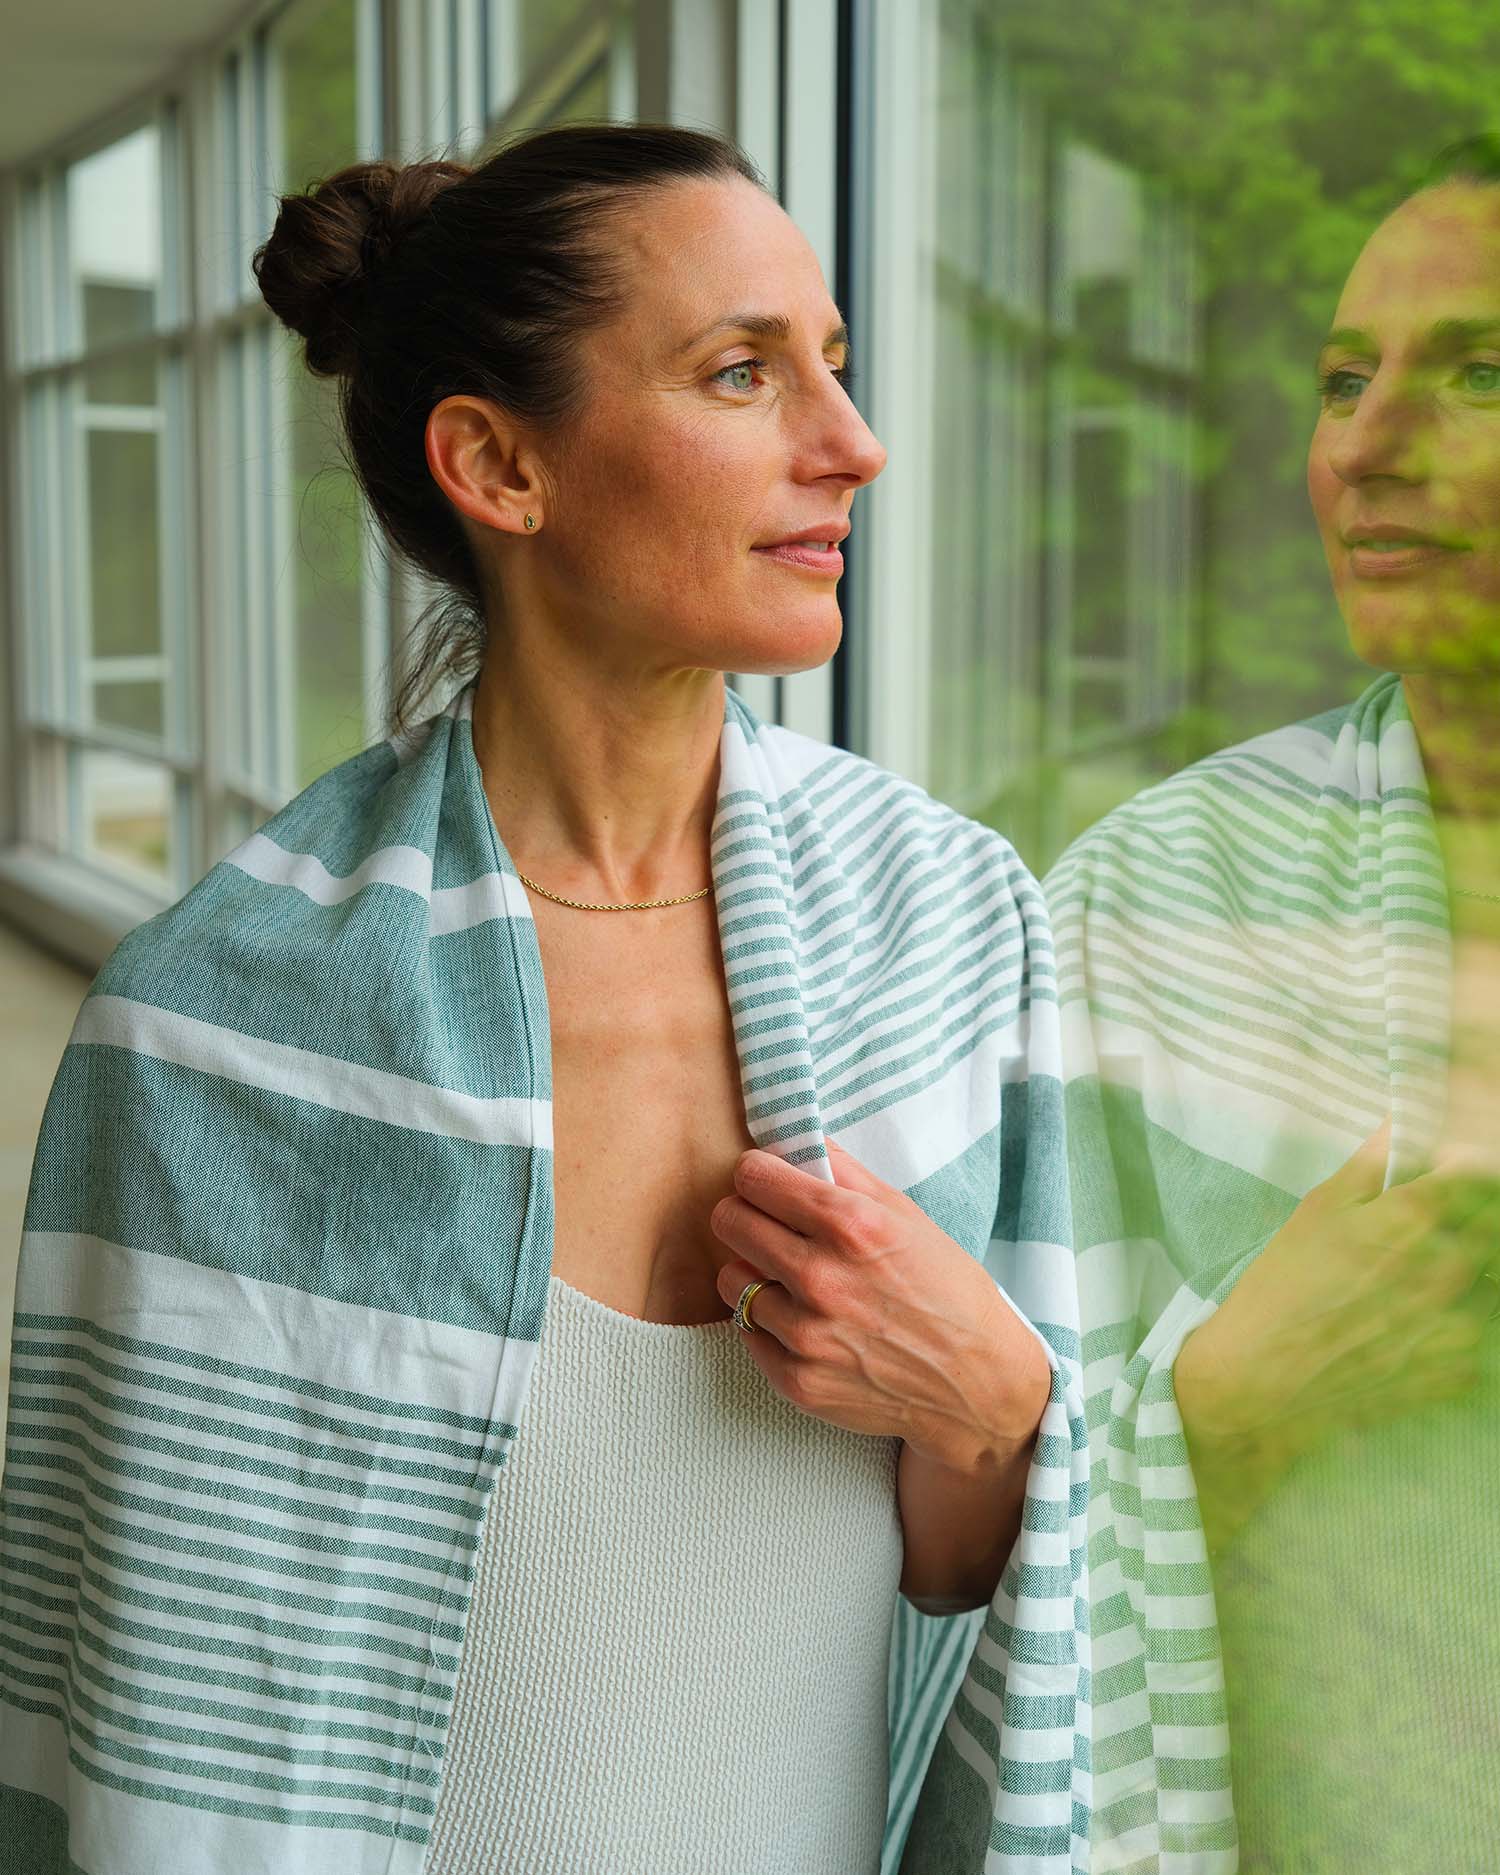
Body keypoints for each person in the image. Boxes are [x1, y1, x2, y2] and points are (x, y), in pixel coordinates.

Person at [0, 123, 1089, 1875]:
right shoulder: (218, 1021)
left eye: (837, 365)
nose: (853, 446)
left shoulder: (950, 926)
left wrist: (993, 1411)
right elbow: (146, 1713)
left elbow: (981, 1618)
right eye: (743, 373)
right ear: (499, 466)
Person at [1046, 134, 1500, 1873]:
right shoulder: (1159, 899)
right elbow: (962, 1513)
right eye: (1340, 379)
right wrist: (1235, 1408)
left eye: (1480, 369)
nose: (1365, 448)